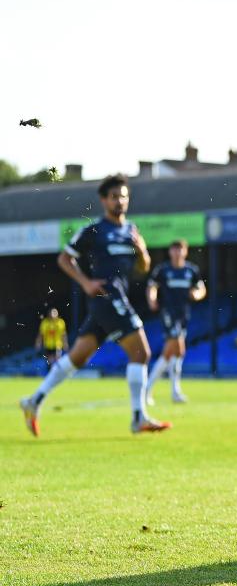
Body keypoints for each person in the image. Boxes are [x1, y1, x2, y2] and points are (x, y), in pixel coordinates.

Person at [19, 174, 171, 436]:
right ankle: (138, 417)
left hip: (112, 300)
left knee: (77, 357)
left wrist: (143, 251)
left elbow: (143, 269)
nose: (120, 201)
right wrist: (85, 282)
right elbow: (65, 259)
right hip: (106, 296)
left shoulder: (131, 231)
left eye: (123, 196)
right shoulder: (94, 231)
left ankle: (34, 401)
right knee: (141, 353)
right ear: (104, 200)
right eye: (114, 197)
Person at [145, 240, 206, 404]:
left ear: (185, 252)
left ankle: (173, 391)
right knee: (176, 349)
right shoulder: (163, 270)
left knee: (176, 353)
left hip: (183, 315)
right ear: (170, 252)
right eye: (175, 250)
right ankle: (149, 389)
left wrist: (197, 295)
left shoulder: (191, 270)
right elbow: (152, 286)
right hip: (168, 313)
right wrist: (152, 299)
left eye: (181, 250)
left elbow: (201, 289)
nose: (178, 253)